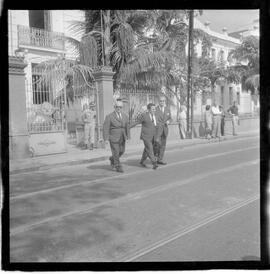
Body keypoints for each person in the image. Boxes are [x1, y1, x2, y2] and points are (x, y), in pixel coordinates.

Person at [103, 100, 130, 173]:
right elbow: (105, 128)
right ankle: (118, 166)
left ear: (122, 108)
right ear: (114, 107)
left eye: (120, 107)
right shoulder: (109, 116)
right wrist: (106, 139)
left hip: (122, 137)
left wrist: (128, 136)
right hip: (113, 137)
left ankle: (112, 159)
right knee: (116, 151)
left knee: (121, 151)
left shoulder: (125, 116)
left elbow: (127, 126)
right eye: (117, 107)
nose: (119, 108)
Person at [130, 103, 158, 170]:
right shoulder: (144, 116)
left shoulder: (155, 116)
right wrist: (128, 127)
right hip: (146, 136)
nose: (154, 110)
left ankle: (142, 161)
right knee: (150, 148)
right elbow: (136, 122)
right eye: (153, 109)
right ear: (148, 110)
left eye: (155, 109)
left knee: (146, 150)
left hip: (153, 136)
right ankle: (154, 163)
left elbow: (156, 125)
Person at [155, 95, 172, 165]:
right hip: (157, 130)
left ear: (165, 102)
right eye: (160, 101)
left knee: (163, 145)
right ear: (158, 101)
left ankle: (160, 159)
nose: (162, 102)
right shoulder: (155, 109)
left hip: (165, 130)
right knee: (157, 145)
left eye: (163, 101)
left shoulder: (167, 109)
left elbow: (170, 118)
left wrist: (169, 121)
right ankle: (155, 157)